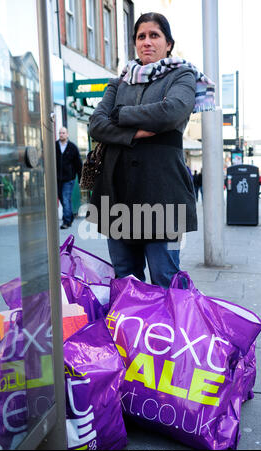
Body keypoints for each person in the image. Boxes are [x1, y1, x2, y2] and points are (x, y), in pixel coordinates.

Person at [87, 12, 215, 288]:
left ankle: (170, 329)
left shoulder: (183, 75)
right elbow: (96, 124)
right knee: (125, 276)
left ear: (168, 43)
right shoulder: (118, 82)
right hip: (118, 192)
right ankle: (131, 331)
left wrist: (119, 115)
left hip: (163, 193)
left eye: (154, 35)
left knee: (165, 276)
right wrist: (136, 131)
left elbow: (171, 112)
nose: (147, 42)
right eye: (141, 36)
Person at [56, 127, 82, 229]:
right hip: (57, 179)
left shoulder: (72, 147)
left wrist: (80, 179)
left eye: (63, 133)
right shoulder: (54, 146)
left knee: (66, 199)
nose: (61, 134)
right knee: (63, 199)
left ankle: (66, 221)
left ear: (67, 134)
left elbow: (79, 165)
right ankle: (70, 217)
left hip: (69, 179)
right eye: (60, 133)